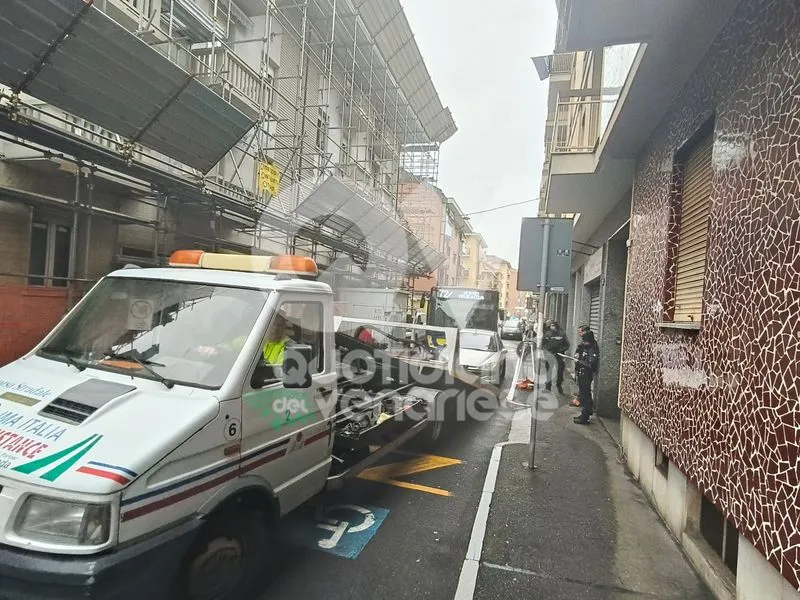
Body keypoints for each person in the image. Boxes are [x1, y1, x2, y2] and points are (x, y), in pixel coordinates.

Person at [573, 329, 599, 425]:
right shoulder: (585, 347)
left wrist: (580, 362)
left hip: (586, 375)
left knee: (586, 395)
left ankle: (585, 416)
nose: (584, 342)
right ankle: (584, 413)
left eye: (585, 340)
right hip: (582, 373)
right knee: (583, 395)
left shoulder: (592, 349)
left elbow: (591, 363)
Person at [542, 321, 570, 394]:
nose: (552, 327)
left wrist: (560, 350)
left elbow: (567, 345)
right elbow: (543, 344)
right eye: (551, 326)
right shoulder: (547, 334)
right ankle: (548, 387)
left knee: (560, 371)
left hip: (559, 355)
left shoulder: (562, 334)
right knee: (549, 371)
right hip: (550, 355)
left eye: (553, 326)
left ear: (557, 326)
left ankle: (559, 384)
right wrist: (547, 351)